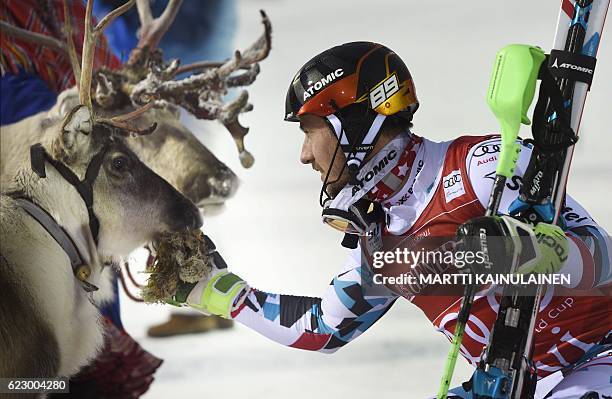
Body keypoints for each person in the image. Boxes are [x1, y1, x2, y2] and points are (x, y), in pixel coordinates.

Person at [168, 42, 612, 398]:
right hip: (516, 384)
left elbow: (603, 259)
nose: (304, 155)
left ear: (353, 123)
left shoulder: (483, 166)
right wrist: (216, 291)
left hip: (598, 359)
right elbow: (323, 329)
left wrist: (537, 252)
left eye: (309, 130)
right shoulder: (380, 239)